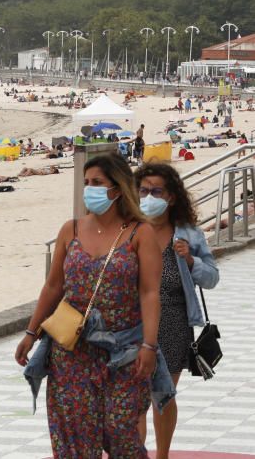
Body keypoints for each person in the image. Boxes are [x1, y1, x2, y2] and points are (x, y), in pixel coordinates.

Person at [15, 153, 166, 458]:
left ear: (117, 188)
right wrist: (31, 333)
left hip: (123, 353)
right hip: (71, 352)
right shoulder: (70, 230)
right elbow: (53, 286)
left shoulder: (140, 233)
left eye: (97, 182)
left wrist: (149, 346)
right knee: (74, 437)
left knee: (121, 434)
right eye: (86, 183)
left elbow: (150, 293)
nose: (90, 189)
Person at [134, 162, 220, 459]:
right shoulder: (129, 231)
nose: (149, 196)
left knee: (162, 394)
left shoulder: (188, 234)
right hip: (133, 323)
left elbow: (212, 278)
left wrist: (192, 262)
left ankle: (162, 455)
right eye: (143, 190)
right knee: (135, 398)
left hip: (173, 322)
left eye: (156, 191)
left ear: (171, 196)